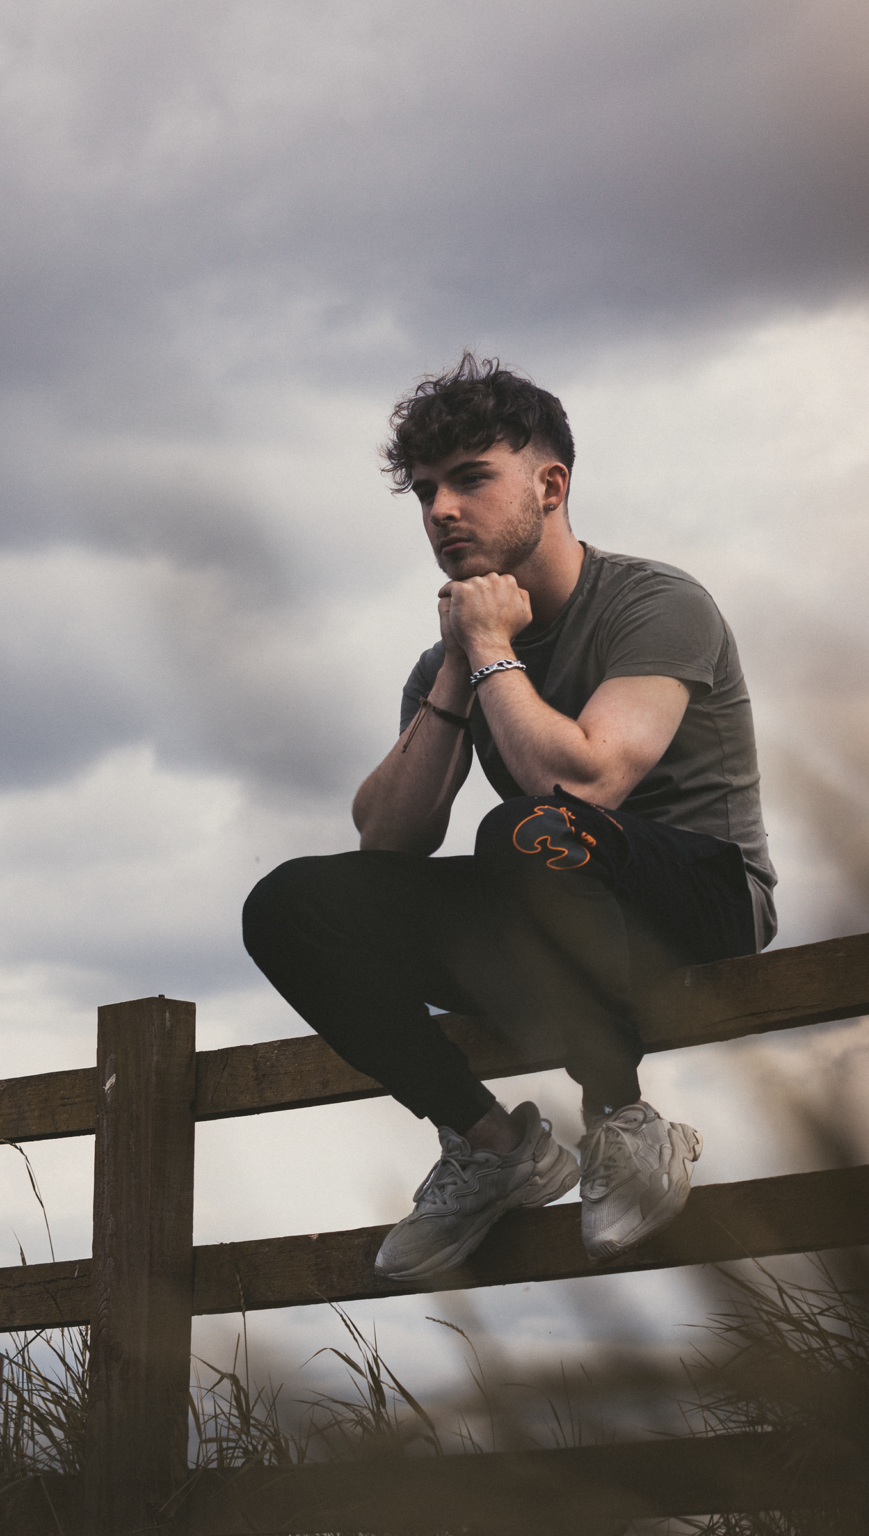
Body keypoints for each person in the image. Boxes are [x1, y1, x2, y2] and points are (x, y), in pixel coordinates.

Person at [243, 353, 776, 1283]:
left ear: (550, 484)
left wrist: (490, 647)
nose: (441, 510)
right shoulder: (452, 658)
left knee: (528, 826)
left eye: (470, 479)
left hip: (701, 903)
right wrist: (458, 663)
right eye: (424, 492)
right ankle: (493, 1147)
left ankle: (622, 1122)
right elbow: (389, 843)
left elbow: (590, 781)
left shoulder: (657, 604)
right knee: (293, 902)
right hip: (553, 914)